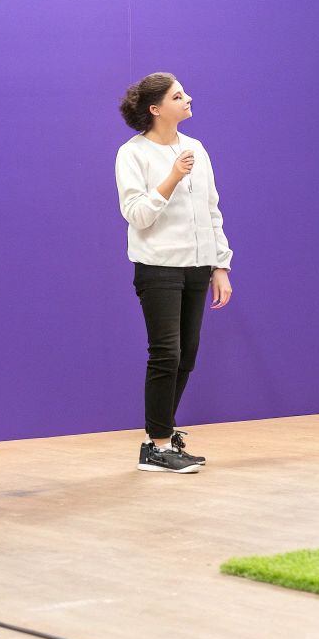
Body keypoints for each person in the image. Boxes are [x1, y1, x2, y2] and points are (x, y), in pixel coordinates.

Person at [115, 73, 234, 474]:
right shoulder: (132, 154)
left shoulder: (196, 147)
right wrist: (171, 177)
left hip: (197, 267)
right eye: (177, 96)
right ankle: (159, 445)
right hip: (159, 267)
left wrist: (220, 265)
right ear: (155, 109)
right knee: (165, 354)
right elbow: (137, 215)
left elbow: (211, 210)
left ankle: (158, 437)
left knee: (187, 355)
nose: (188, 99)